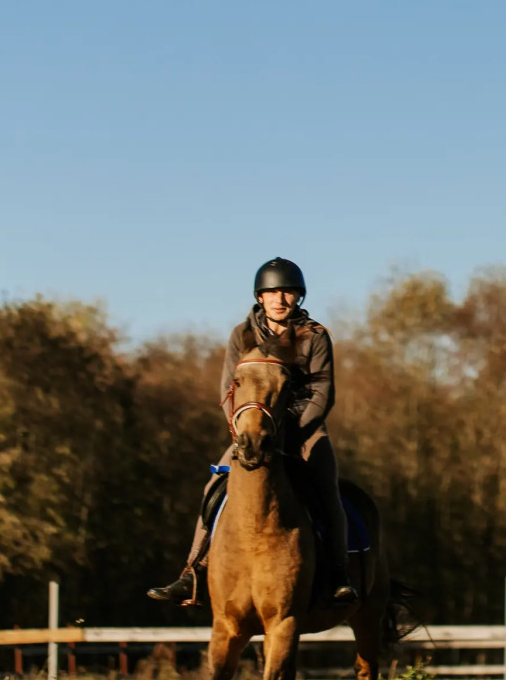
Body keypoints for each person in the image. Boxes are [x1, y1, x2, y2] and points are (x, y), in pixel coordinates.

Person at [147, 257, 359, 606]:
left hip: (303, 431)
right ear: (260, 297)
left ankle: (339, 574)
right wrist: (242, 430)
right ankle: (193, 572)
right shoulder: (240, 335)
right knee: (214, 485)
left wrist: (289, 432)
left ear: (298, 298)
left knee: (325, 486)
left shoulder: (316, 337)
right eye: (272, 292)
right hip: (251, 431)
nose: (280, 299)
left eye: (288, 292)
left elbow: (323, 394)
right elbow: (228, 393)